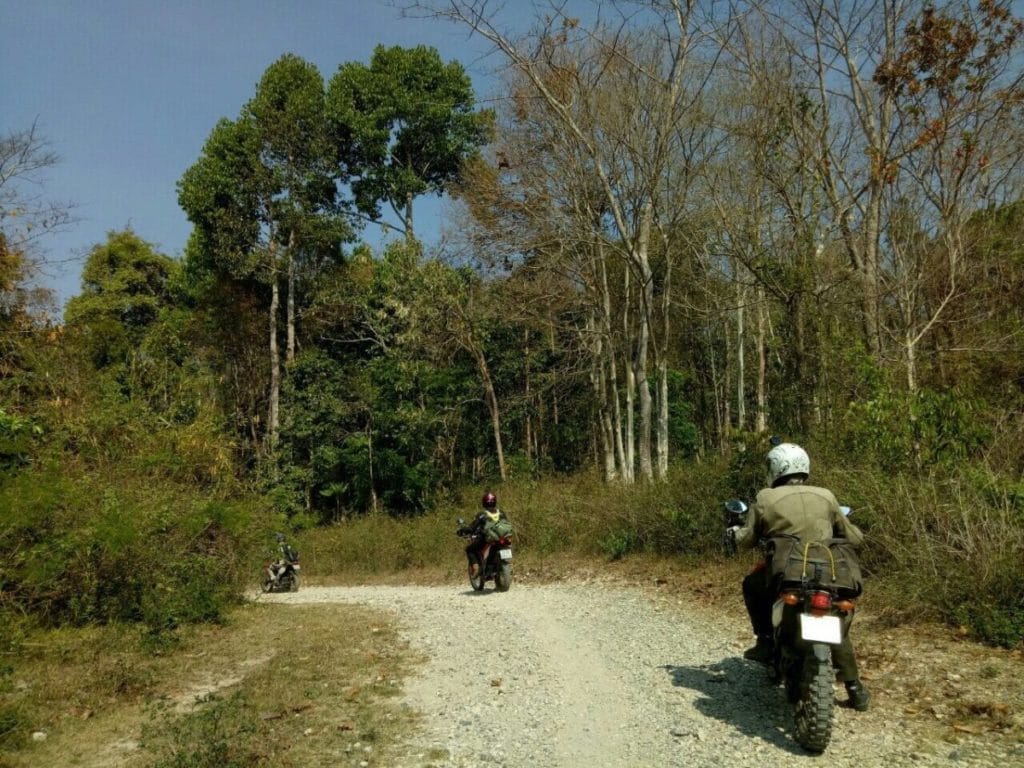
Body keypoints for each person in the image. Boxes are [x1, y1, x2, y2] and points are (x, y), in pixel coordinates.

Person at [728, 442, 871, 712]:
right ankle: (854, 688)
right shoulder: (826, 496)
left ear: (775, 468)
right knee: (835, 618)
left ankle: (765, 641)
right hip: (829, 570)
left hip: (788, 570)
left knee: (752, 585)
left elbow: (747, 540)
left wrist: (733, 532)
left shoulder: (766, 497)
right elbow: (854, 537)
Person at [460, 491, 509, 576]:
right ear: (495, 501)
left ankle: (475, 566)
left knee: (469, 549)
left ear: (484, 502)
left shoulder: (482, 514)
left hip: (487, 538)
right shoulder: (501, 512)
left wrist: (463, 530)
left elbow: (472, 527)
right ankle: (495, 567)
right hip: (503, 537)